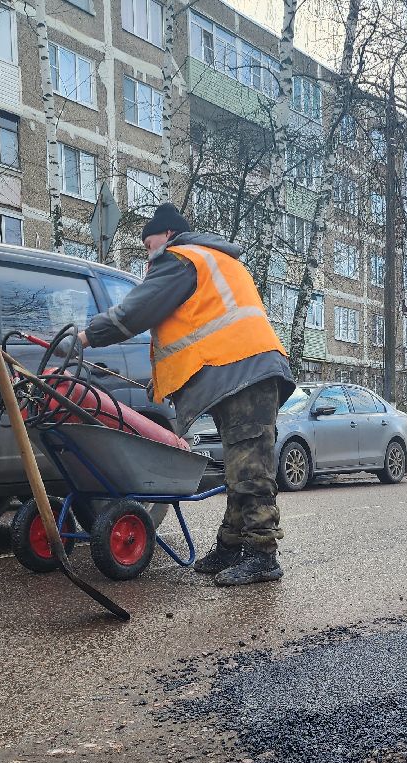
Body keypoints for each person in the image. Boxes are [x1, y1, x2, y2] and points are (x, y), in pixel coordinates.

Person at [80, 204, 294, 587]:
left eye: (149, 244)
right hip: (243, 369)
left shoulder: (180, 258)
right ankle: (231, 544)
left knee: (249, 466)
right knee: (237, 464)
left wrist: (86, 336)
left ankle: (262, 554)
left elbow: (137, 311)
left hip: (246, 370)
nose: (149, 253)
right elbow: (199, 334)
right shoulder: (210, 259)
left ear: (167, 235)